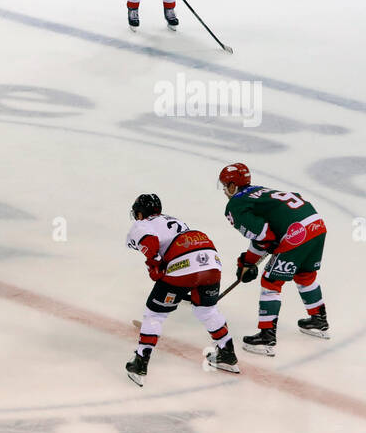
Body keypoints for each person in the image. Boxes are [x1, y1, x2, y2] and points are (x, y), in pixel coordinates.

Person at [124, 194, 238, 386]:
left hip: (183, 264)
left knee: (155, 315)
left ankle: (140, 363)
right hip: (211, 260)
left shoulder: (141, 224)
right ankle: (227, 354)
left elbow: (150, 242)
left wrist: (155, 264)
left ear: (140, 213)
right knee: (207, 310)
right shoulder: (174, 220)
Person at [219, 162, 330, 356]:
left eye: (225, 186)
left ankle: (266, 336)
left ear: (232, 186)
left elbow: (263, 236)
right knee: (305, 275)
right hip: (316, 225)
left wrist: (249, 261)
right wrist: (249, 261)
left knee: (271, 282)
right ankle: (318, 321)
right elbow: (265, 236)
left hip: (296, 233)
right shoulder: (259, 191)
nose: (224, 191)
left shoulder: (236, 205)